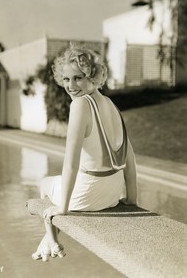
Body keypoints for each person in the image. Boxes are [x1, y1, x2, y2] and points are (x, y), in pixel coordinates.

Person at [32, 42, 137, 261]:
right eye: (66, 79)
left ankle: (50, 238)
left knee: (44, 183)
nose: (71, 86)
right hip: (112, 194)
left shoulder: (80, 105)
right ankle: (47, 241)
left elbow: (70, 162)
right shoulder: (111, 104)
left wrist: (63, 207)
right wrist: (130, 199)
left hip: (88, 195)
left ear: (93, 76)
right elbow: (130, 159)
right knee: (59, 181)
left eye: (78, 78)